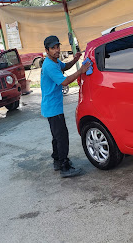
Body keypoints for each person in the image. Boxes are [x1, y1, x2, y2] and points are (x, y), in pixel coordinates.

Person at [41, 35, 90, 178]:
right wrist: (80, 71)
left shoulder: (55, 61)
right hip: (53, 107)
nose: (56, 50)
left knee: (57, 136)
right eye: (53, 48)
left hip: (52, 106)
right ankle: (64, 166)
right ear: (47, 50)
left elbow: (65, 66)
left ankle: (57, 160)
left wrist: (74, 60)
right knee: (62, 137)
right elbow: (65, 82)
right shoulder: (49, 66)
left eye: (57, 47)